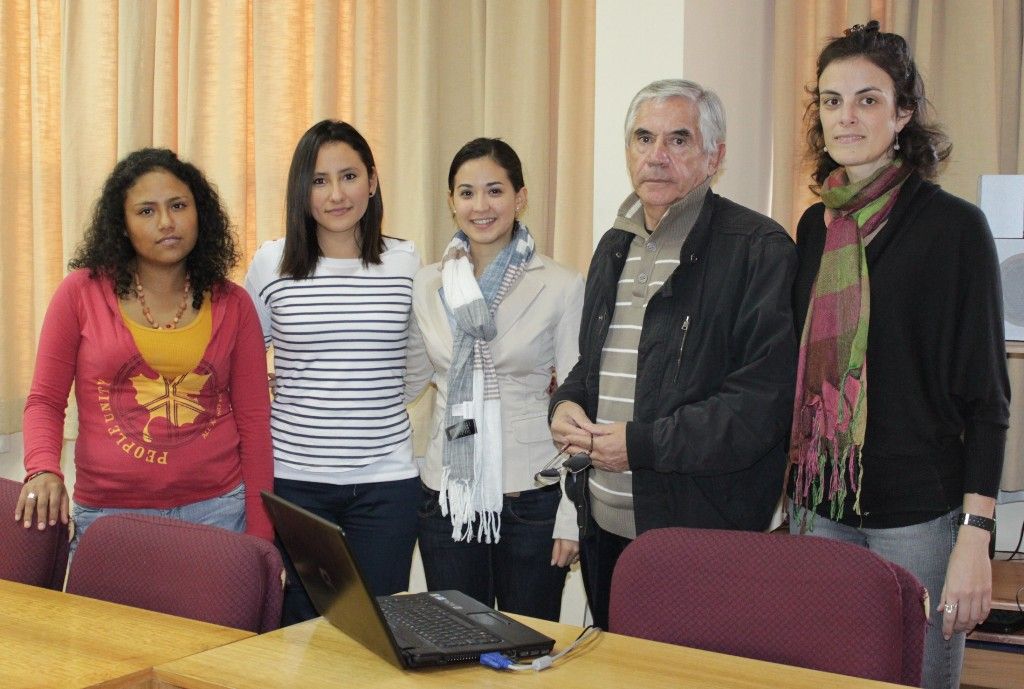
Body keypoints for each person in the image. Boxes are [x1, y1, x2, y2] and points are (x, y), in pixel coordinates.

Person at [788, 21, 1010, 689]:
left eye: (868, 99)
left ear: (903, 113)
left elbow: (987, 397)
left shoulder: (954, 227)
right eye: (832, 101)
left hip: (920, 518)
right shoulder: (815, 226)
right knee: (827, 678)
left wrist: (974, 536)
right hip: (822, 506)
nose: (846, 117)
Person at [549, 79, 798, 629]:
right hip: (603, 523)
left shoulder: (758, 249)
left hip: (701, 532)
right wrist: (565, 403)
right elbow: (595, 364)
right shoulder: (614, 244)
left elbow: (759, 407)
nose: (656, 156)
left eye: (678, 140)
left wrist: (640, 445)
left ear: (715, 156)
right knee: (616, 664)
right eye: (644, 138)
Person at [16, 148, 273, 547]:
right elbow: (45, 401)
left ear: (200, 213)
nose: (166, 222)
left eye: (178, 205)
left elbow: (254, 422)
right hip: (109, 516)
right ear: (122, 225)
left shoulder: (234, 304)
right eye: (146, 211)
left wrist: (261, 536)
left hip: (220, 513)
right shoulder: (80, 293)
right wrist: (43, 468)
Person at [245, 120, 421, 625]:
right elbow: (244, 362)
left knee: (378, 631)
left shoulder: (405, 261)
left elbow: (418, 360)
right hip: (295, 484)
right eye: (319, 181)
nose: (336, 194)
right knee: (298, 634)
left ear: (373, 181)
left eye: (349, 176)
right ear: (301, 190)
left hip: (386, 484)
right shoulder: (272, 262)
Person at [405, 138, 584, 621]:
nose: (480, 206)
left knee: (529, 641)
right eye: (467, 193)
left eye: (495, 191)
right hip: (448, 494)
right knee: (458, 641)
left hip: (531, 496)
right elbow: (409, 379)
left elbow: (578, 402)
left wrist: (571, 516)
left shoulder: (561, 285)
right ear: (451, 201)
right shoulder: (428, 283)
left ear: (520, 197)